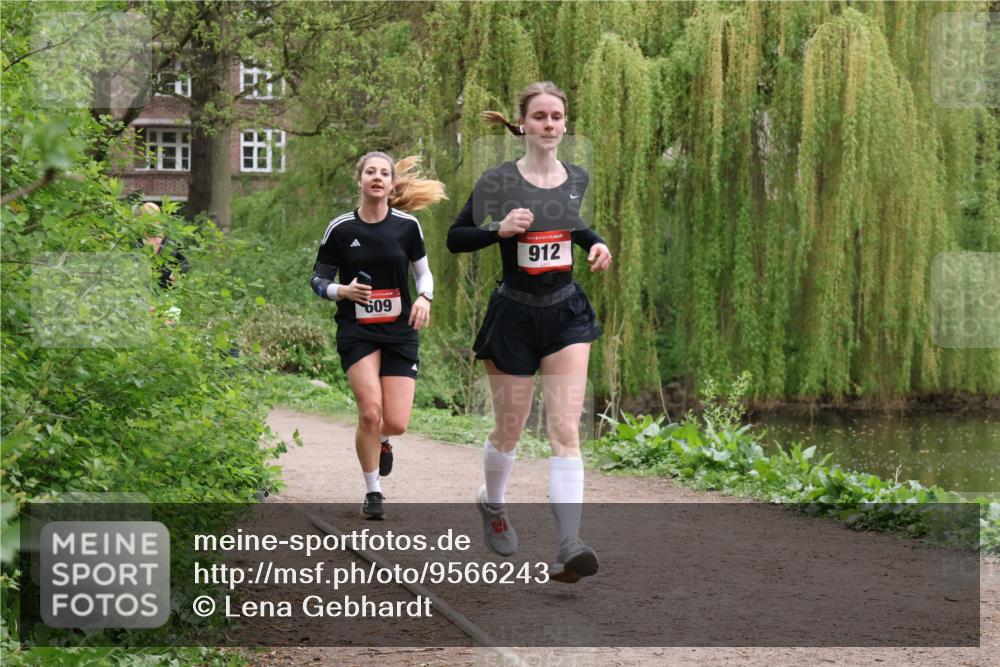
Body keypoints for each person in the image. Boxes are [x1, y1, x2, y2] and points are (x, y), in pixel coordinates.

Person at [447, 81, 613, 583]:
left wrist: (595, 242)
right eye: (539, 116)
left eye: (556, 117)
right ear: (524, 124)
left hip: (565, 314)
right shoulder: (497, 181)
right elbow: (456, 237)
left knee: (565, 429)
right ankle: (493, 504)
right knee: (511, 429)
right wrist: (497, 231)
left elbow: (569, 223)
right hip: (514, 317)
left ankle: (569, 543)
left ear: (565, 125)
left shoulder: (575, 177)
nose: (549, 124)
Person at [311, 153, 445, 519]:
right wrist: (344, 292)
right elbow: (318, 281)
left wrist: (424, 297)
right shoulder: (340, 228)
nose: (377, 177)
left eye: (384, 173)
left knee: (395, 422)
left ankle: (384, 442)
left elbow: (424, 274)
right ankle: (373, 492)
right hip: (357, 331)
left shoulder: (407, 226)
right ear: (360, 179)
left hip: (400, 331)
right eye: (370, 171)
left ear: (391, 184)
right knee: (370, 412)